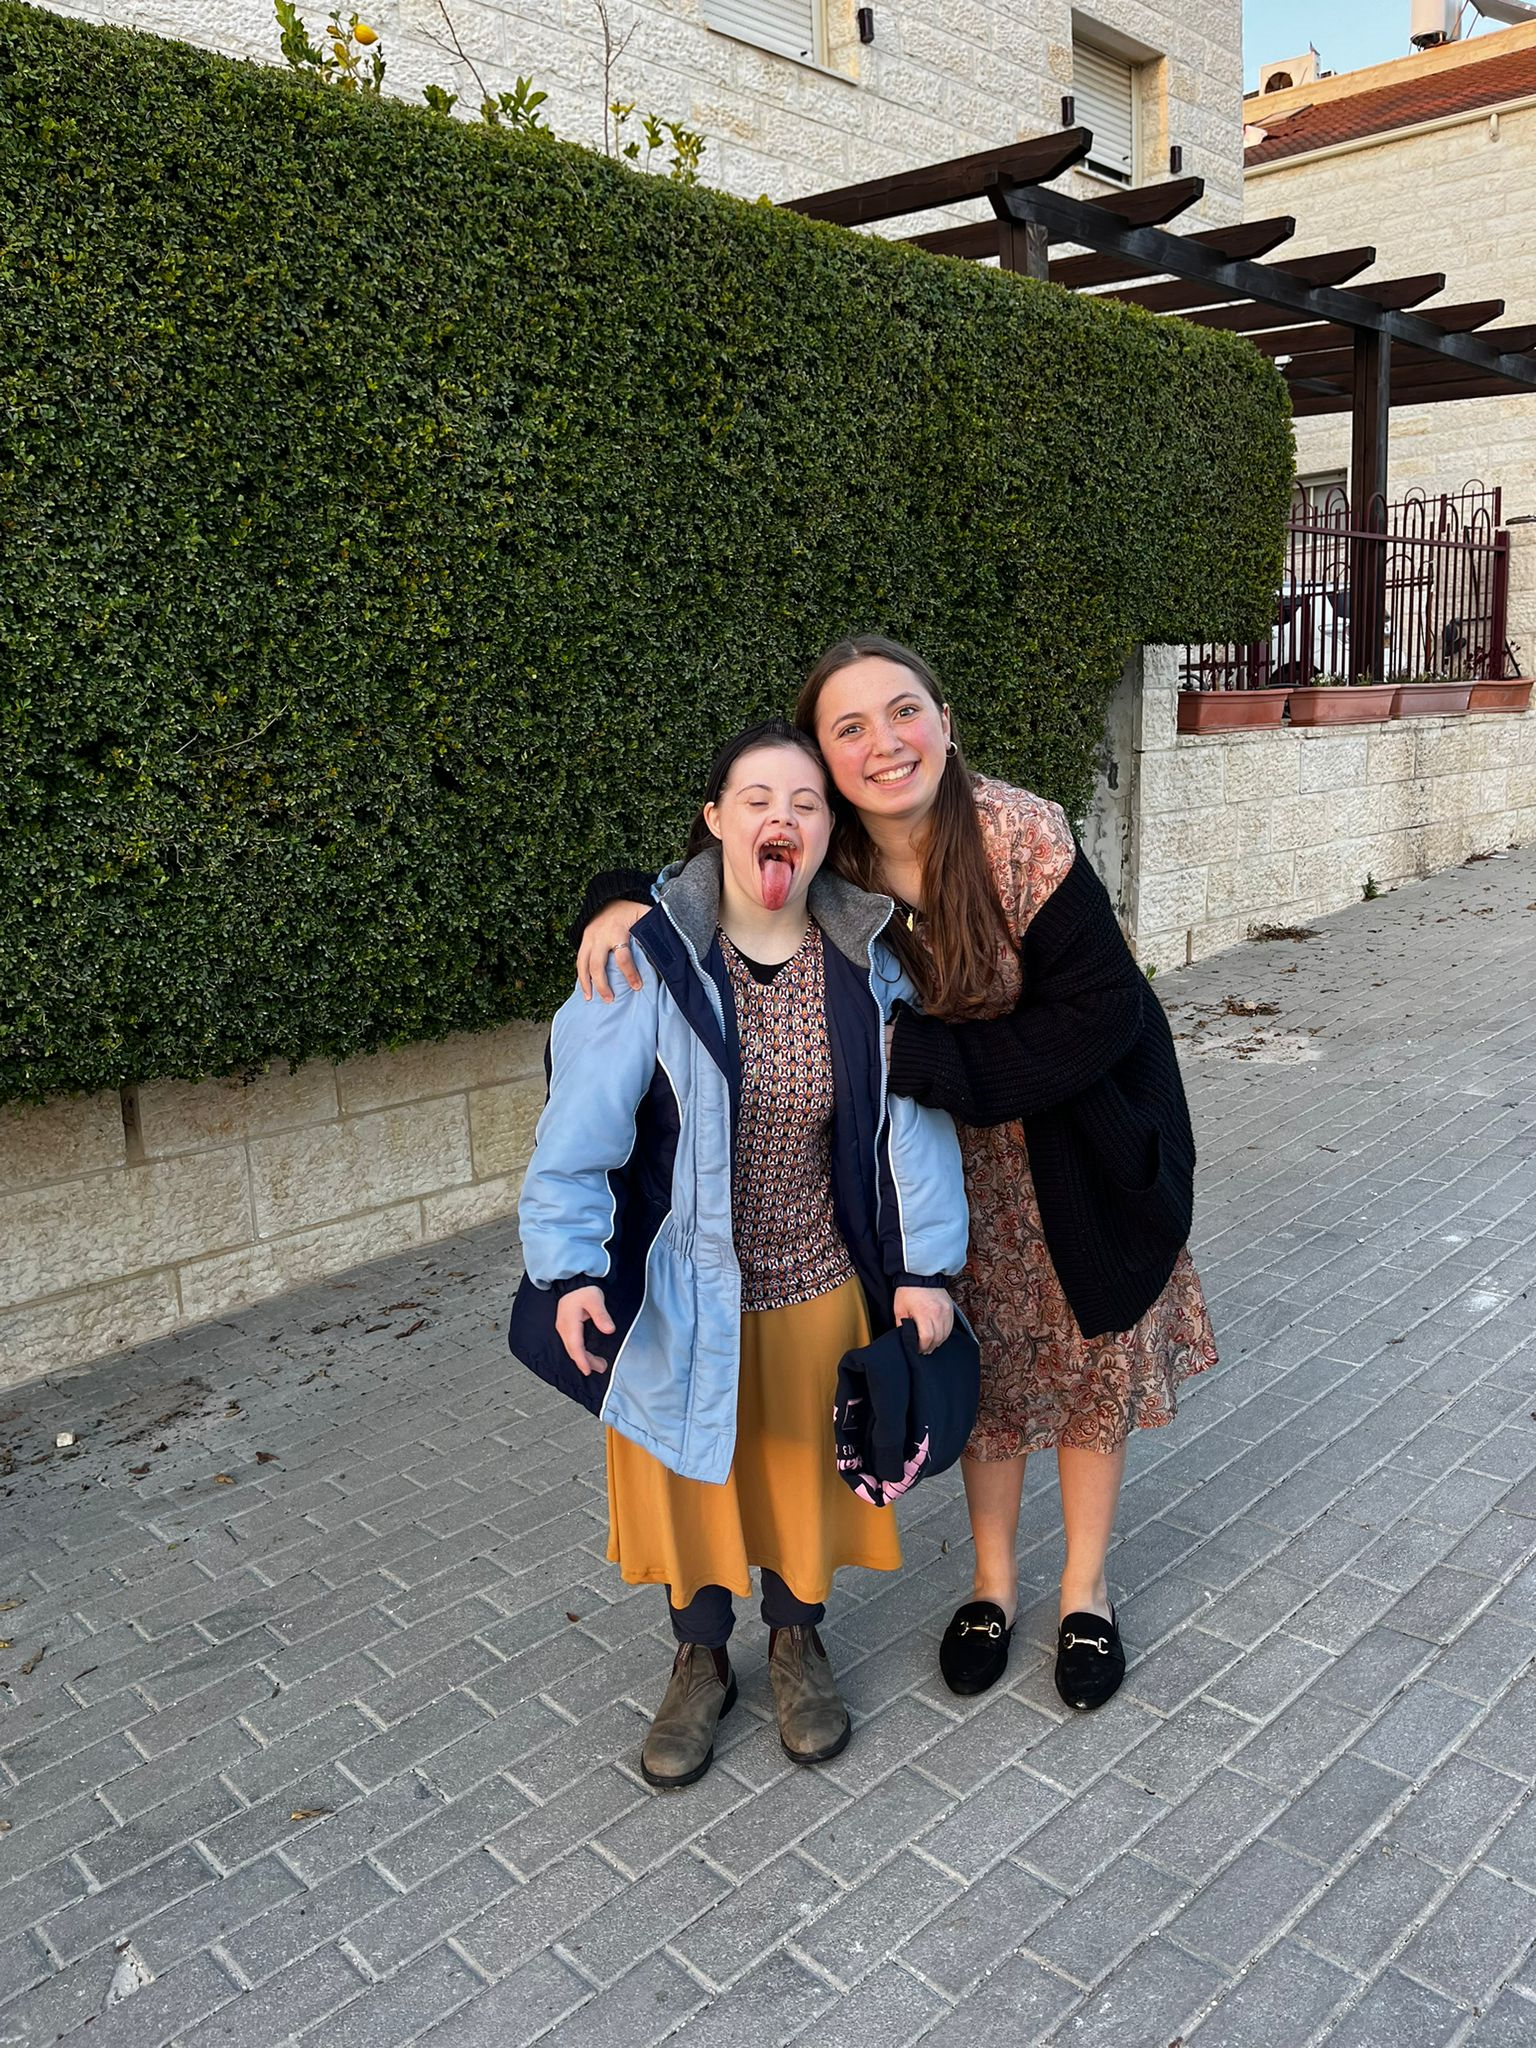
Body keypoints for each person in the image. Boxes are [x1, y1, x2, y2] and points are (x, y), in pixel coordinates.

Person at [574, 639, 1218, 1714]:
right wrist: (609, 902)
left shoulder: (1017, 832)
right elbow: (702, 876)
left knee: (1089, 1367)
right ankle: (991, 1587)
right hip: (944, 1168)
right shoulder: (831, 854)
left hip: (1078, 1144)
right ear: (824, 762)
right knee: (988, 1371)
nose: (885, 743)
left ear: (945, 723)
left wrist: (927, 1060)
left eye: (904, 711)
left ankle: (1086, 1594)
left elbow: (1105, 1010)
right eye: (851, 728)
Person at [512, 716, 966, 1789]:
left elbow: (911, 1134)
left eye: (806, 803)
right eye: (757, 799)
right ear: (715, 819)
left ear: (827, 832)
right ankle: (700, 1658)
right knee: (692, 1480)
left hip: (818, 1282)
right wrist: (568, 1271)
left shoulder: (867, 963)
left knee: (801, 1478)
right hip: (683, 1293)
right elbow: (577, 1130)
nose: (782, 818)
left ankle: (798, 1643)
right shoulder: (645, 960)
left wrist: (925, 1271)